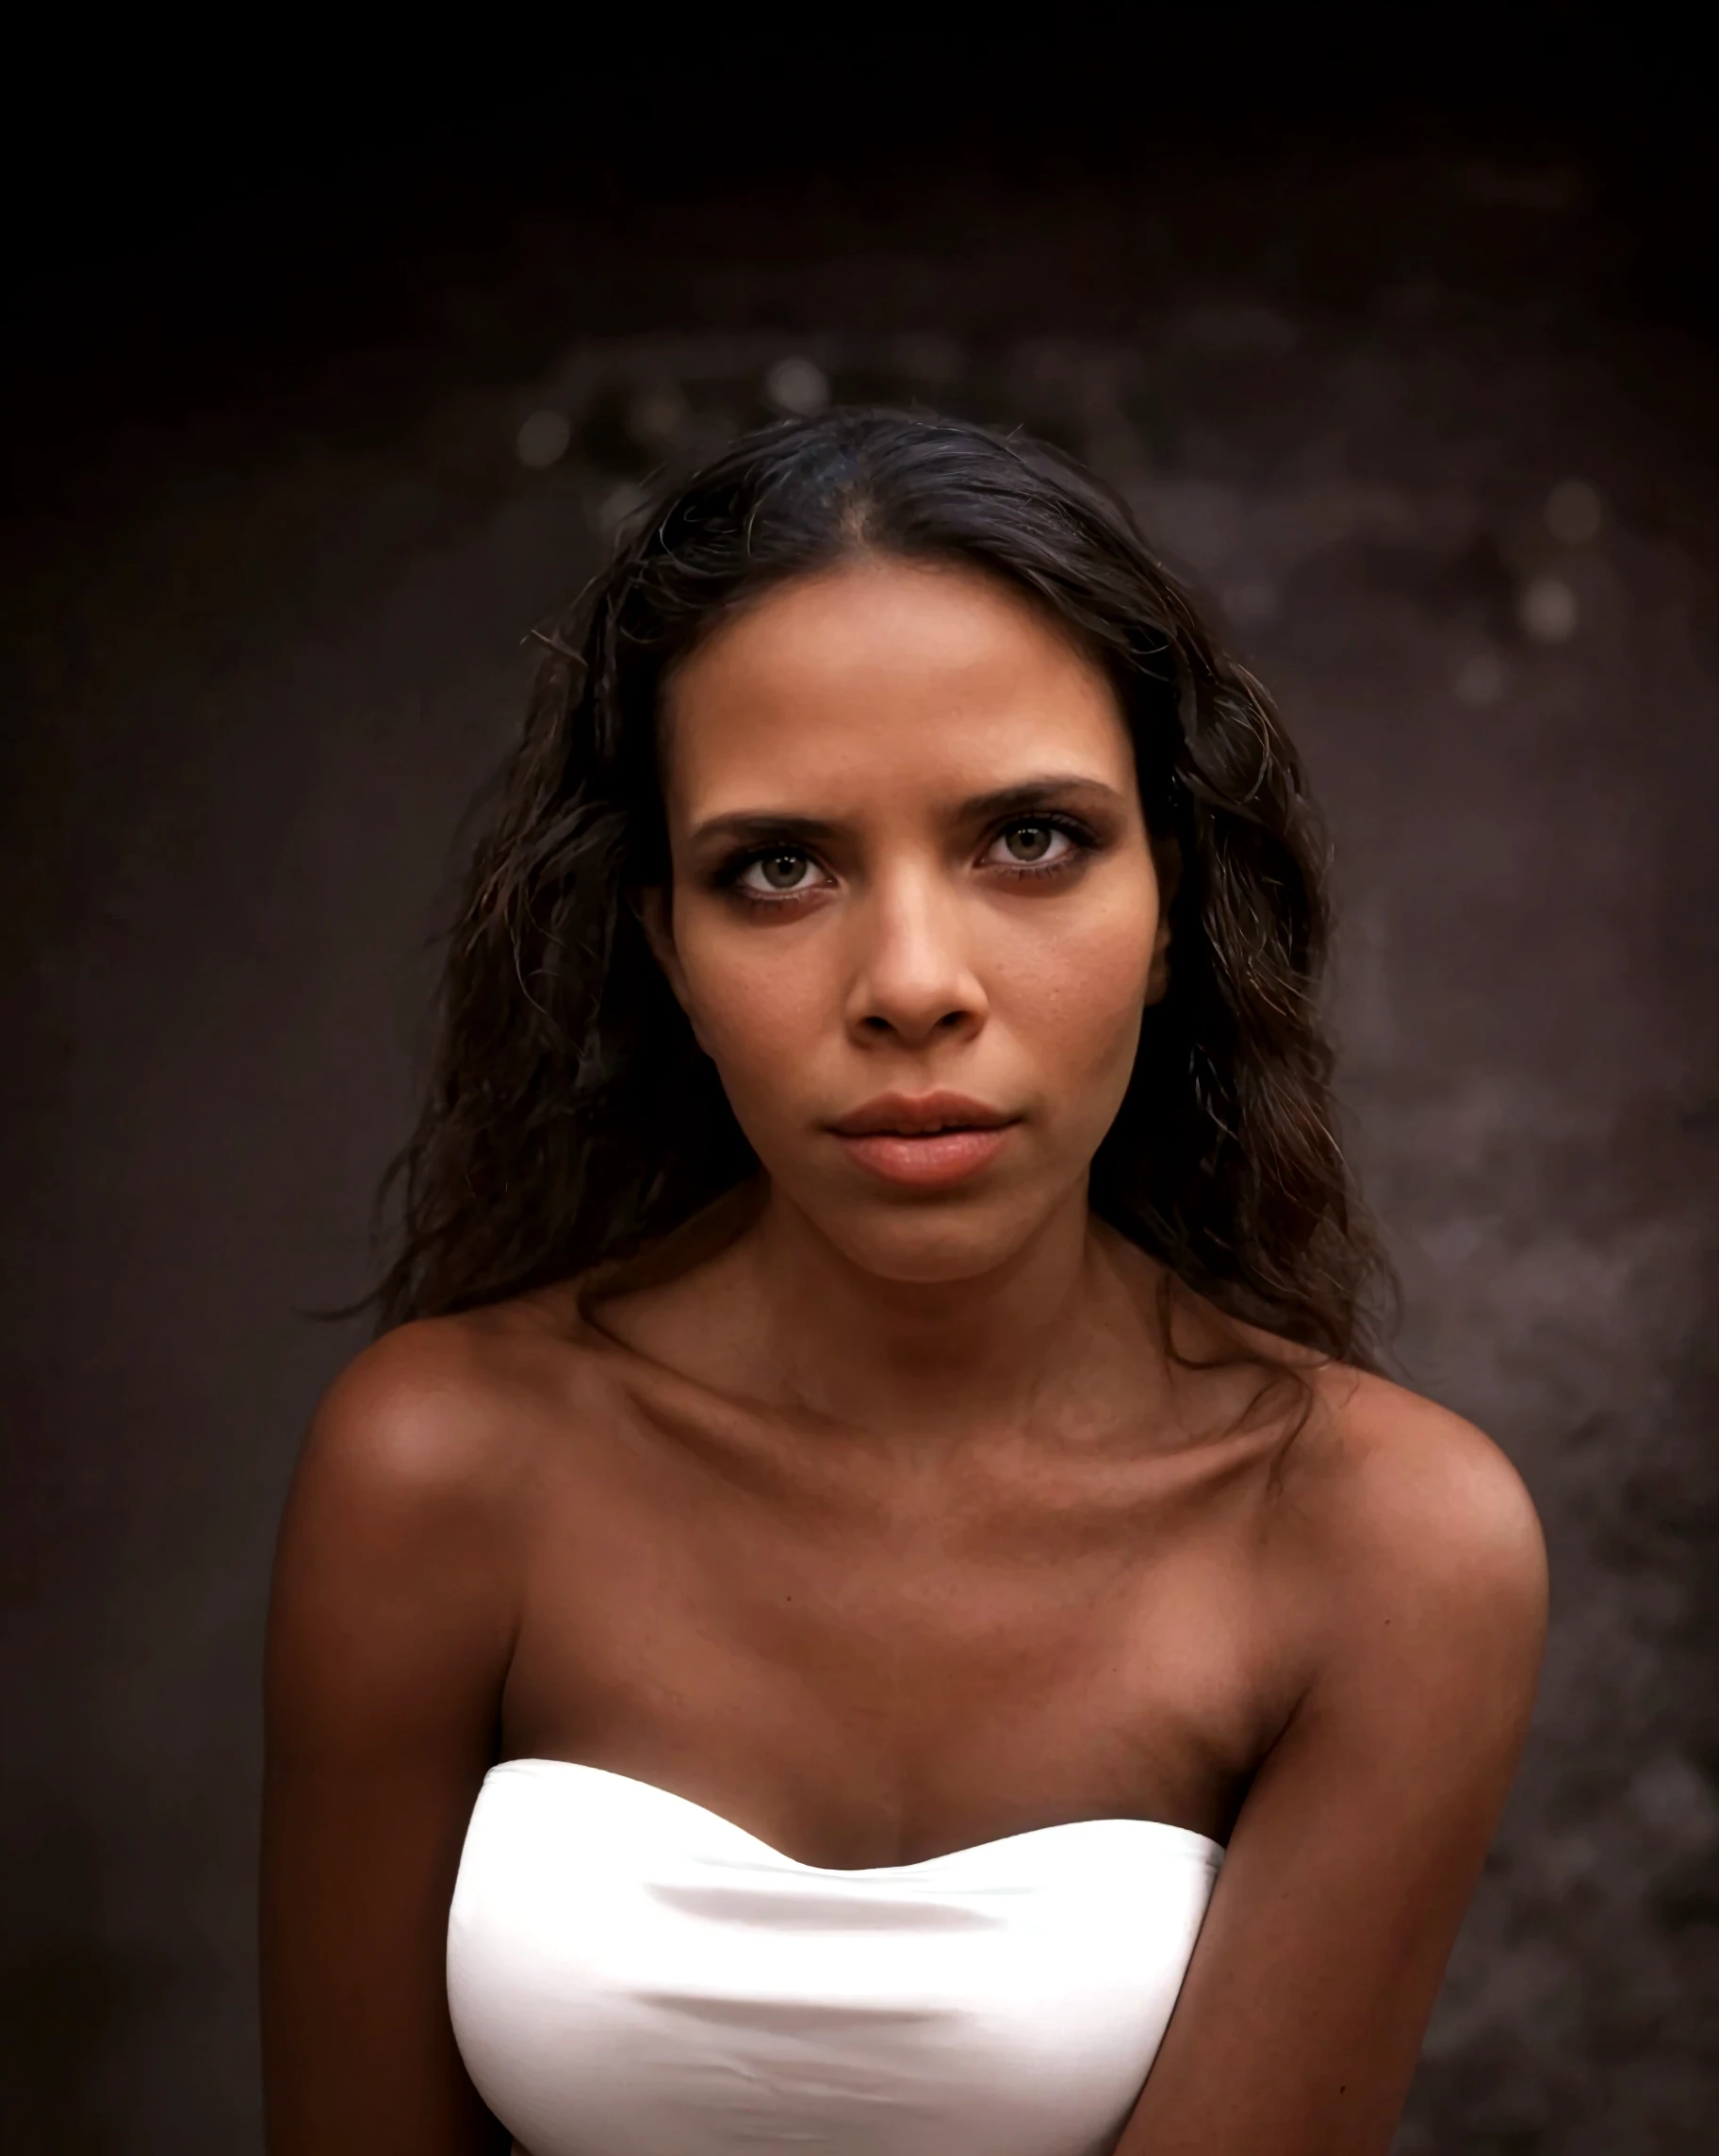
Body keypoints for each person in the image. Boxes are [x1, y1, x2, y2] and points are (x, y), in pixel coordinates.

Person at [259, 408, 1547, 2155]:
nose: (913, 982)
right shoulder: (443, 1465)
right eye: (779, 867)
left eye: (1030, 841)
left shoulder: (1382, 1542)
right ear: (666, 947)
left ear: (1174, 902)